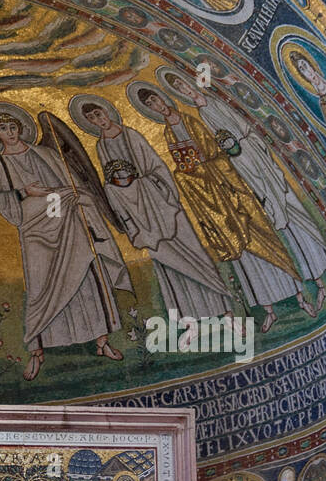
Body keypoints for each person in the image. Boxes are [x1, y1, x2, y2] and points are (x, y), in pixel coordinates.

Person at [136, 88, 303, 332]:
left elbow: (217, 155)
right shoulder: (168, 133)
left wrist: (204, 165)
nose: (156, 105)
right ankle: (268, 311)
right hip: (212, 202)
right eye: (150, 104)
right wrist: (187, 173)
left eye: (155, 98)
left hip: (230, 195)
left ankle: (299, 297)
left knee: (262, 238)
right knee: (242, 258)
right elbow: (182, 165)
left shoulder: (190, 121)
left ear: (164, 98)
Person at [160, 71, 326, 305]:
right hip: (243, 173)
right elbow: (217, 152)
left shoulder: (216, 102)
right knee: (280, 224)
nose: (185, 90)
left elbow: (248, 130)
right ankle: (315, 281)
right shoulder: (198, 115)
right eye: (179, 90)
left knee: (293, 212)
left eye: (184, 84)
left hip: (259, 163)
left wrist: (238, 149)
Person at [0, 105, 130, 380]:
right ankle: (38, 352)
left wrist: (75, 196)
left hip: (67, 220)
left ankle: (101, 341)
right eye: (3, 129)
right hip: (35, 229)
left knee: (85, 276)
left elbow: (73, 182)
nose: (10, 132)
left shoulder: (46, 152)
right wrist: (24, 191)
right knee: (41, 285)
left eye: (13, 126)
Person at [80, 98, 235, 320]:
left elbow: (157, 167)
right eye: (91, 118)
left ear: (107, 112)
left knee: (193, 252)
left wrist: (144, 186)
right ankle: (191, 319)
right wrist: (117, 190)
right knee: (167, 265)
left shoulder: (131, 135)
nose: (98, 120)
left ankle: (225, 309)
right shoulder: (101, 145)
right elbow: (110, 181)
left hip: (161, 204)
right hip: (139, 215)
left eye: (98, 113)